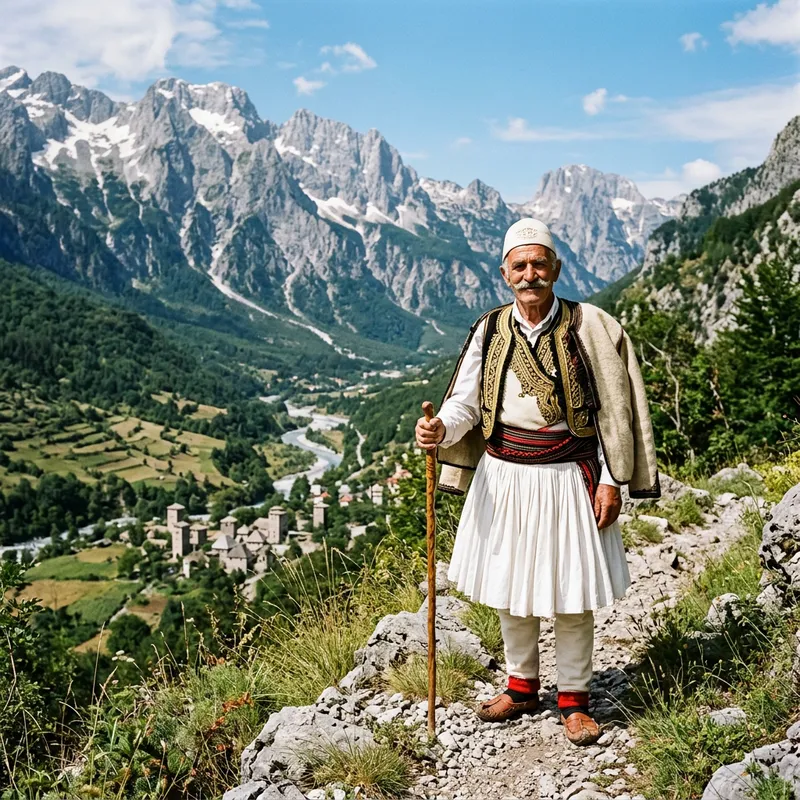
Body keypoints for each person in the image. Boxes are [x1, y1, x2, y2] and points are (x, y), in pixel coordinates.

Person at [415, 218, 659, 746]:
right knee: (511, 586)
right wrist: (441, 429)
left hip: (571, 476)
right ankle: (521, 686)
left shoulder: (590, 326)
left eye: (539, 264)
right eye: (520, 266)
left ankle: (574, 699)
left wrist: (612, 480)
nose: (530, 275)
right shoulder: (489, 329)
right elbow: (466, 403)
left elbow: (614, 412)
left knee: (571, 592)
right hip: (504, 477)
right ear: (504, 273)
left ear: (557, 268)